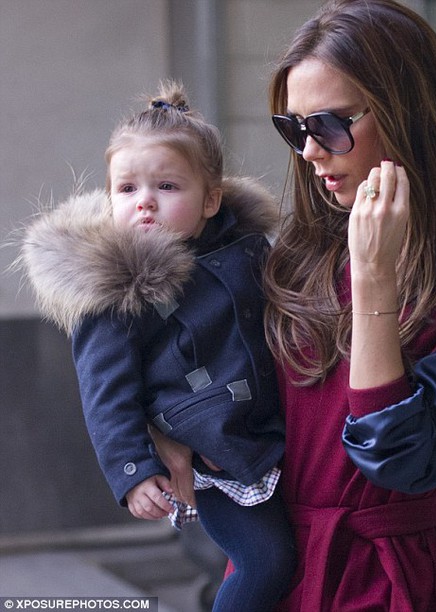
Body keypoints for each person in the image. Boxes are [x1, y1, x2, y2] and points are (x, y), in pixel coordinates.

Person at [154, 2, 436, 610]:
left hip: (383, 576)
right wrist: (168, 425)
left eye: (331, 124)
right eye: (294, 129)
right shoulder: (302, 246)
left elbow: (400, 460)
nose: (311, 152)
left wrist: (374, 279)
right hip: (274, 558)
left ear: (410, 112)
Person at [19, 81, 296, 612]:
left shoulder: (246, 251)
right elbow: (107, 391)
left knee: (286, 560)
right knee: (267, 561)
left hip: (273, 438)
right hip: (211, 456)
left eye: (166, 186)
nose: (144, 201)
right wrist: (134, 471)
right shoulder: (117, 287)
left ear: (211, 199)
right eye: (126, 189)